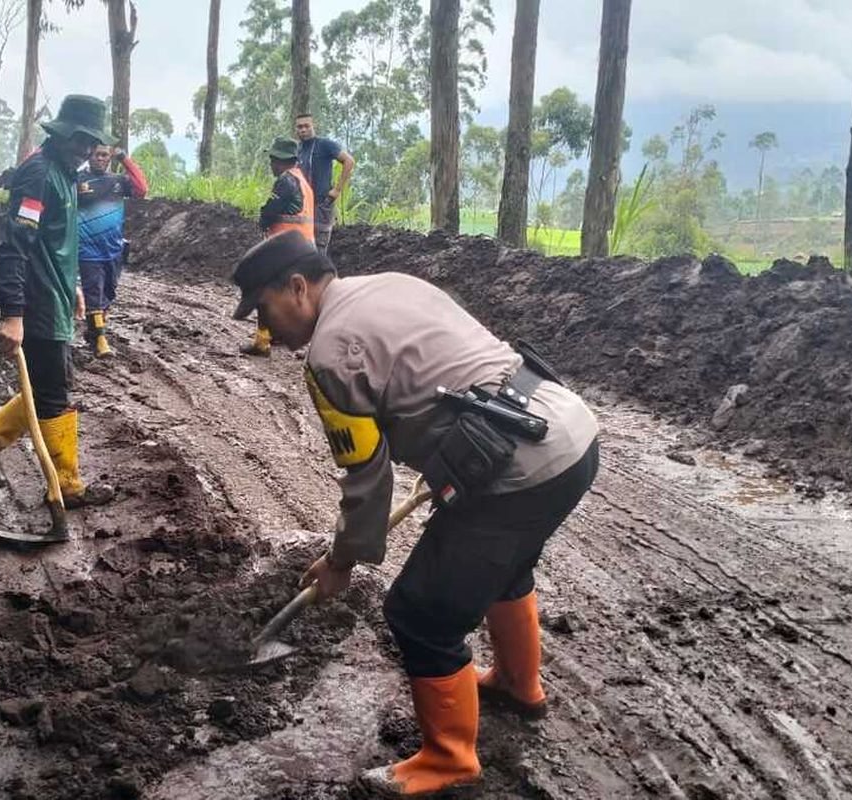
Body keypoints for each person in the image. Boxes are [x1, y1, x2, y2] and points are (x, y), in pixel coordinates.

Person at [230, 231, 600, 796]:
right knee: (506, 567)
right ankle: (517, 684)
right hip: (568, 435)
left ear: (297, 287)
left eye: (263, 308)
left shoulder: (329, 355)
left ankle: (449, 761)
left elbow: (367, 479)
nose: (265, 327)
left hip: (517, 468)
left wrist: (341, 562)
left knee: (420, 614)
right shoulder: (390, 283)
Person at [0, 95, 115, 510]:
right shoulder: (40, 175)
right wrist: (12, 313)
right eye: (80, 140)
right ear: (63, 134)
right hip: (38, 305)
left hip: (56, 298)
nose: (86, 149)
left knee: (47, 387)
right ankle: (67, 486)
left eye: (92, 142)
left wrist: (73, 285)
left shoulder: (65, 175)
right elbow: (14, 247)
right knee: (54, 393)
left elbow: (56, 241)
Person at [241, 137, 315, 357]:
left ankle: (262, 343)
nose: (271, 165)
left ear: (280, 160)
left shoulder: (285, 182)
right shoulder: (302, 181)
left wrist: (262, 220)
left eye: (273, 160)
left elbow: (270, 212)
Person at [76, 143, 148, 358]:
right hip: (87, 250)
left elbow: (141, 189)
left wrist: (124, 159)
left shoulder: (118, 181)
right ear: (89, 156)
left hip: (114, 249)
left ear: (109, 158)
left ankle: (94, 331)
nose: (100, 158)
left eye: (104, 155)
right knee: (94, 294)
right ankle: (100, 340)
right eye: (96, 154)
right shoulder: (77, 180)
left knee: (108, 293)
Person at [294, 113, 355, 256]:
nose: (303, 130)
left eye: (306, 126)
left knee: (319, 248)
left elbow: (349, 161)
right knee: (303, 247)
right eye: (300, 127)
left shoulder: (324, 145)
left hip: (322, 205)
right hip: (303, 207)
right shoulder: (298, 149)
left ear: (313, 126)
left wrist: (337, 190)